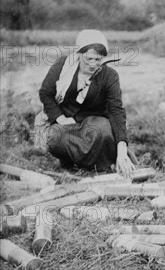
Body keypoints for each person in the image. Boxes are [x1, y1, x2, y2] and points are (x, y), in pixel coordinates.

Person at [36, 29, 135, 178]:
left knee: (100, 132)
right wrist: (60, 118)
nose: (94, 64)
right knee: (54, 138)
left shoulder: (109, 76)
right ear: (79, 54)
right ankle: (73, 164)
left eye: (99, 59)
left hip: (96, 123)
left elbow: (116, 111)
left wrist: (122, 152)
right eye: (89, 59)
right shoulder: (63, 66)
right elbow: (46, 93)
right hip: (69, 123)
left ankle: (101, 167)